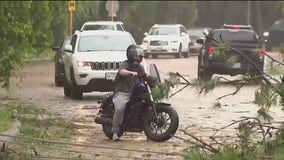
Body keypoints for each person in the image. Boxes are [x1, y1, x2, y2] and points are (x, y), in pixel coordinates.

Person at [112, 44, 146, 141]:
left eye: (140, 55)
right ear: (130, 54)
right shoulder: (126, 64)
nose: (139, 57)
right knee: (119, 108)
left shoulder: (140, 67)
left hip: (136, 93)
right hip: (123, 92)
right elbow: (121, 71)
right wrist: (130, 73)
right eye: (137, 55)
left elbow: (144, 76)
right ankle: (115, 132)